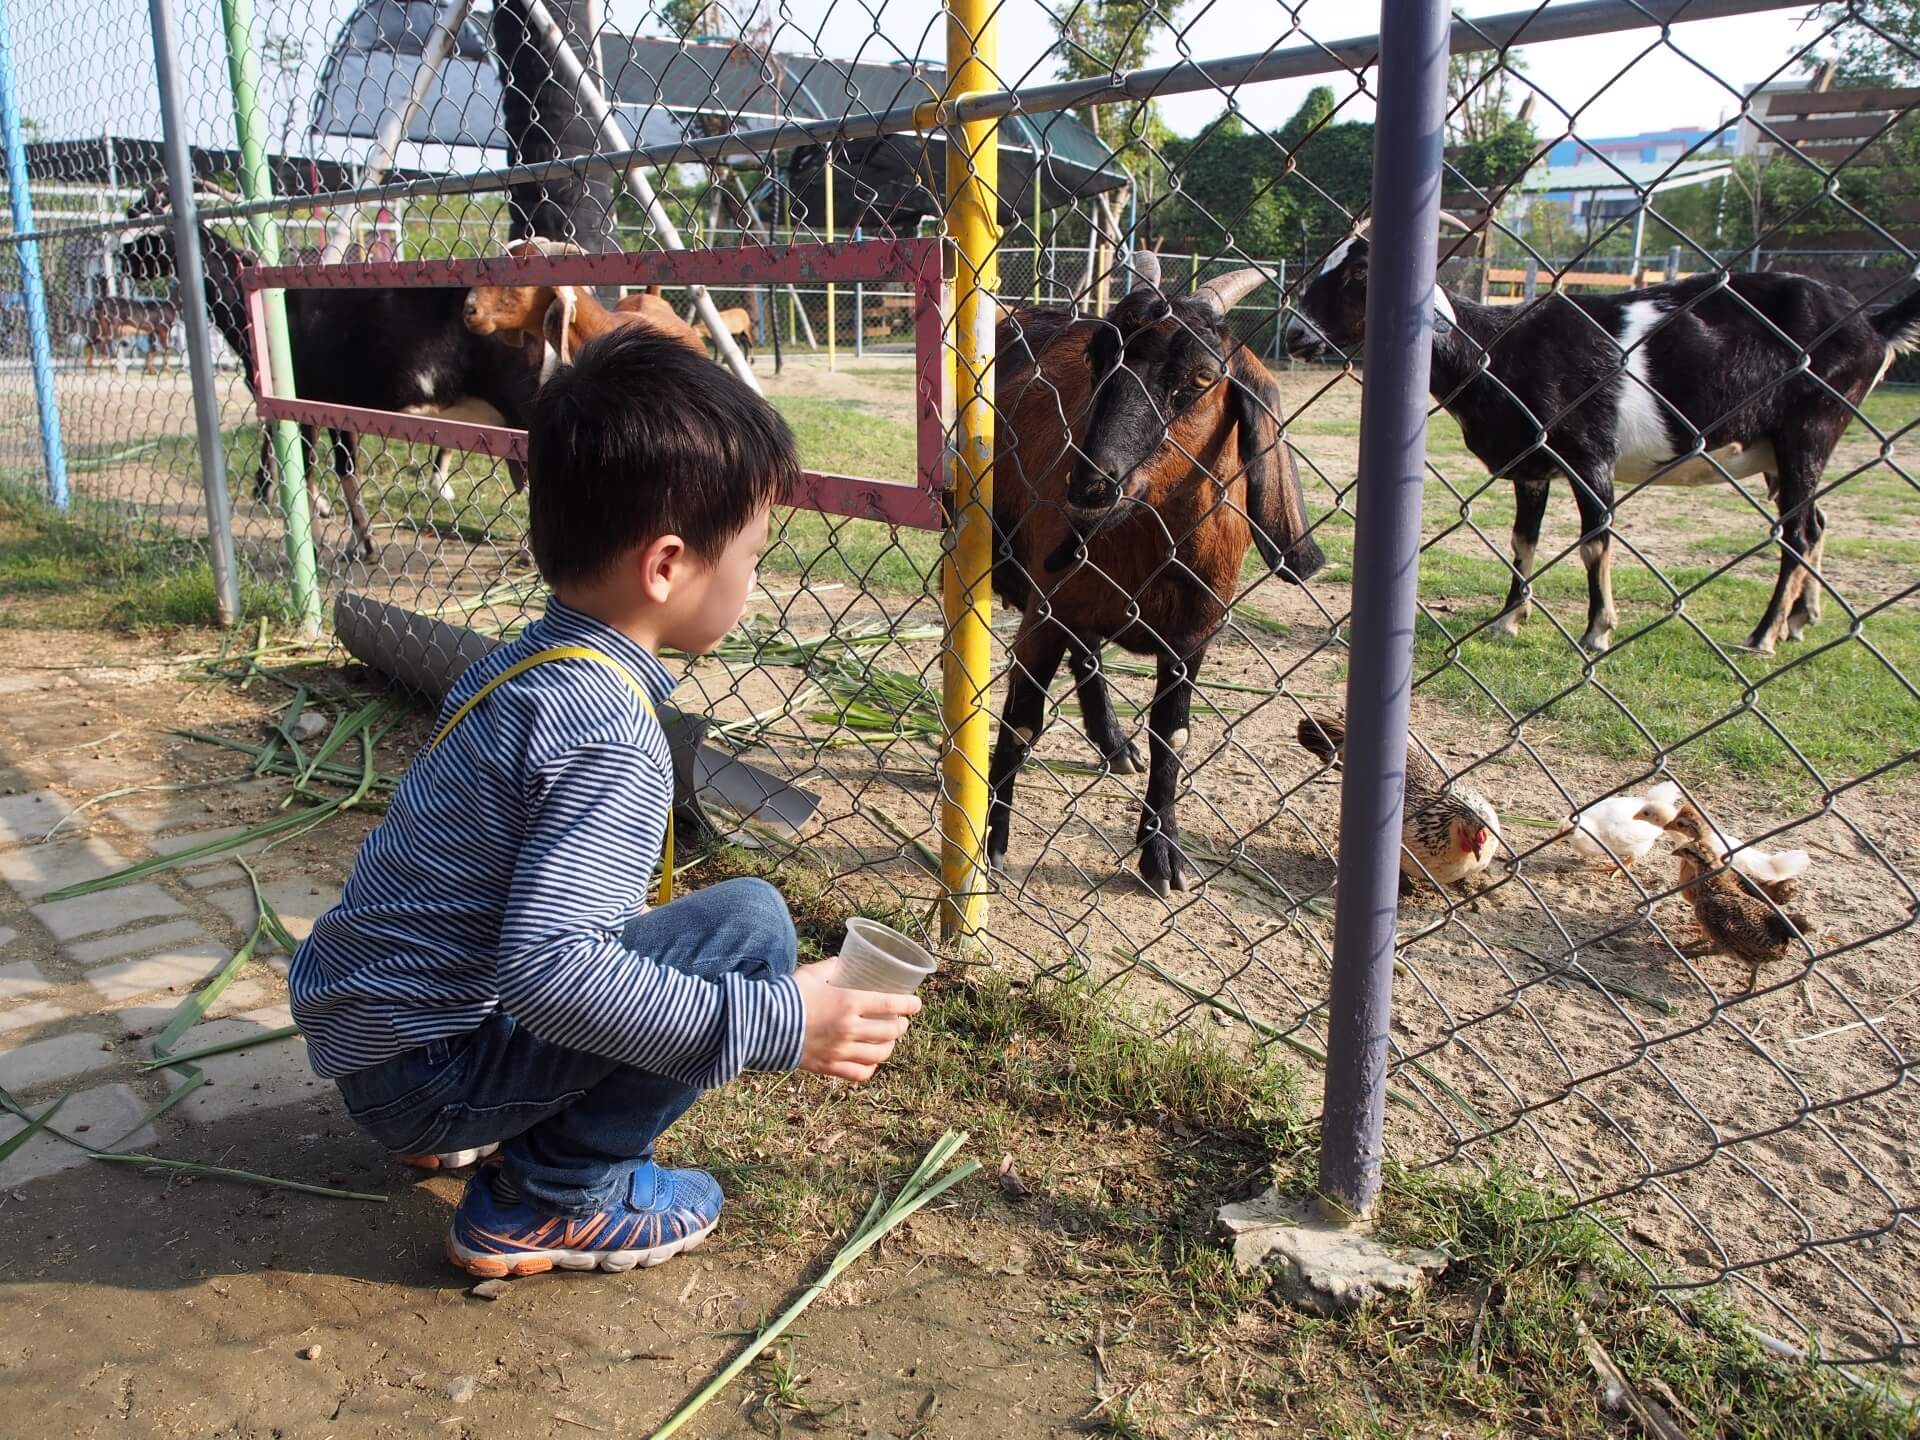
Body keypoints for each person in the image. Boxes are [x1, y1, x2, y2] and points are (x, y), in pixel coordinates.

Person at [290, 327, 922, 1278]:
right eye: (752, 555)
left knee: (663, 939)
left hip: (377, 1044)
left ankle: (453, 1126)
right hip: (427, 1070)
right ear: (666, 567)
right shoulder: (613, 736)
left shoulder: (523, 664)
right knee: (749, 927)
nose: (755, 581)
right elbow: (553, 975)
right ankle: (550, 1198)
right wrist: (783, 1022)